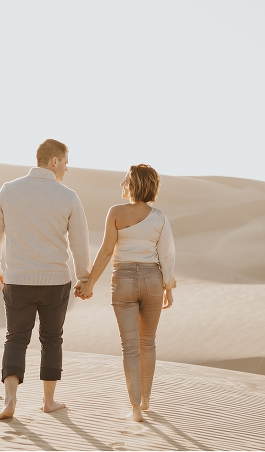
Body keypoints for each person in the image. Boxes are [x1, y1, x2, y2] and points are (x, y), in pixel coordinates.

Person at [0, 139, 91, 420]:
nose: (67, 168)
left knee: (16, 338)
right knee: (52, 339)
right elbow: (80, 242)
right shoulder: (68, 196)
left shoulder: (9, 190)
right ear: (53, 161)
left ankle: (10, 400)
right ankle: (48, 401)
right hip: (55, 281)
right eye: (65, 162)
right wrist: (84, 277)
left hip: (18, 280)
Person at [75, 164, 176, 423]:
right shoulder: (161, 217)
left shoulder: (116, 213)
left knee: (130, 347)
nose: (122, 184)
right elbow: (166, 255)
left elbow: (107, 251)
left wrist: (89, 283)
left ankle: (135, 408)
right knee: (148, 342)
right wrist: (168, 287)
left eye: (126, 180)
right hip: (153, 280)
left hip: (123, 281)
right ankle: (146, 400)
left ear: (133, 185)